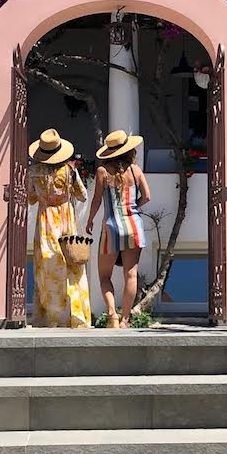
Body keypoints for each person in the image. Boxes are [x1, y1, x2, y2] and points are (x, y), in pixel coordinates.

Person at [28, 128, 91, 328]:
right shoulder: (70, 170)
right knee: (71, 265)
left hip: (46, 221)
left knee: (47, 267)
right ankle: (74, 315)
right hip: (65, 219)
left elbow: (30, 199)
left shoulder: (33, 172)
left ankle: (50, 316)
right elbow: (82, 195)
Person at [86, 130, 151, 328]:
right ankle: (125, 320)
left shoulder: (103, 171)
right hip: (134, 226)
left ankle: (112, 314)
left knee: (104, 276)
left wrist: (90, 220)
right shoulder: (135, 170)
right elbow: (147, 197)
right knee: (131, 275)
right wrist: (133, 208)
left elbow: (97, 199)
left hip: (111, 227)